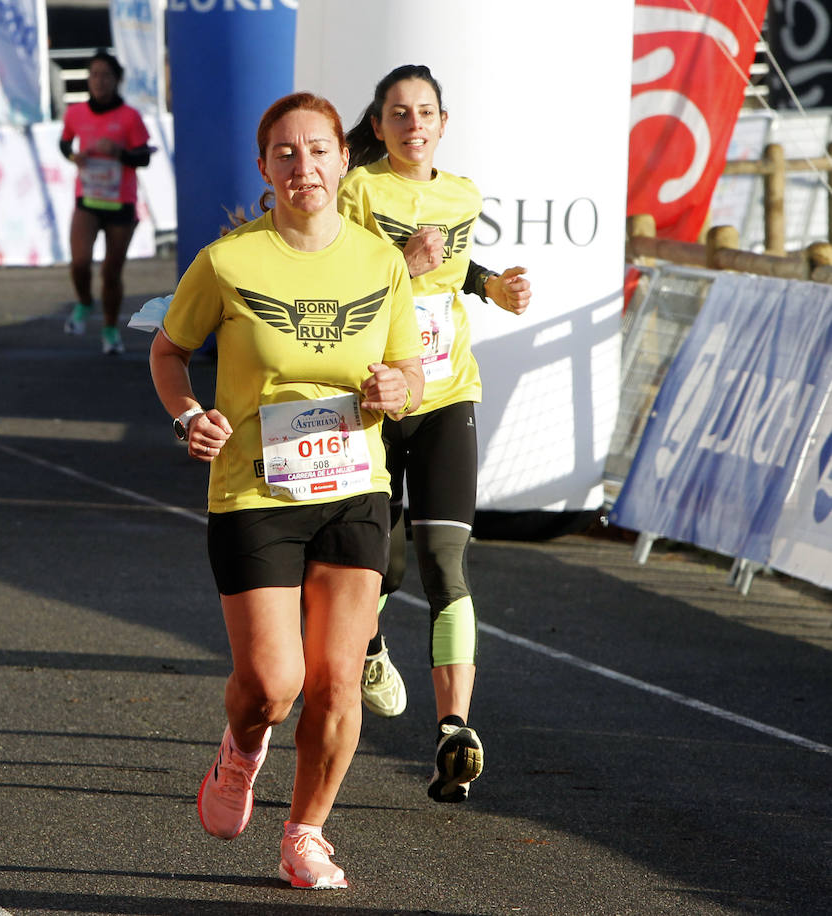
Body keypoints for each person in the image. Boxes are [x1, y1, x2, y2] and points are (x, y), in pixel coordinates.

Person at [149, 91, 423, 890]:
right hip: (255, 492)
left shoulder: (379, 262)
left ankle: (306, 832)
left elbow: (408, 369)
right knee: (273, 684)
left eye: (318, 150)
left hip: (354, 486)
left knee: (338, 678)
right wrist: (188, 416)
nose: (304, 166)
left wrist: (395, 391)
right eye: (285, 154)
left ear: (345, 159)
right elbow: (170, 351)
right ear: (265, 169)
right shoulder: (229, 260)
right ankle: (241, 748)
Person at [338, 64, 532, 803]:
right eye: (398, 113)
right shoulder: (359, 189)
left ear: (443, 123)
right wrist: (399, 266)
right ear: (381, 125)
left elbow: (452, 270)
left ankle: (456, 731)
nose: (413, 124)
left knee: (445, 564)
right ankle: (369, 643)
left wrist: (492, 287)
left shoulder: (462, 194)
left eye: (425, 112)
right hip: (380, 398)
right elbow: (340, 276)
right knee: (376, 568)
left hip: (449, 393)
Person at [60, 49, 151, 355]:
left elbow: (143, 157)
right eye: (94, 74)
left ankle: (110, 329)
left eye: (106, 76)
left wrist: (119, 152)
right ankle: (85, 302)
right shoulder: (75, 113)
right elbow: (64, 142)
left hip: (120, 203)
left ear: (117, 80)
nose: (99, 81)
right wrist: (74, 156)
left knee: (111, 272)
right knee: (79, 262)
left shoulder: (129, 117)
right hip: (88, 198)